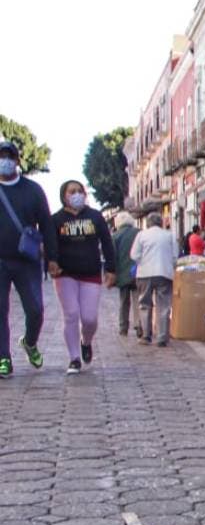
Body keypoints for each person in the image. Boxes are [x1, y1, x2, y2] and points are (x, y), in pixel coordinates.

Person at [0, 140, 59, 378]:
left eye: (9, 156)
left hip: (27, 260)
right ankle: (3, 358)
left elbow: (47, 225)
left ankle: (30, 342)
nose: (5, 161)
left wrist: (52, 258)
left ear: (17, 161)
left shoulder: (33, 190)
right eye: (1, 156)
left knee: (35, 309)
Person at [49, 181, 115, 374]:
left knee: (89, 318)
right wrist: (51, 262)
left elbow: (107, 242)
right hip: (65, 274)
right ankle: (74, 358)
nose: (77, 194)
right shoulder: (56, 219)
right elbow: (51, 244)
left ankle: (86, 342)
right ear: (64, 196)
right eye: (72, 191)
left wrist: (111, 269)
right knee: (71, 315)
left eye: (80, 191)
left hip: (91, 273)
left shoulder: (95, 217)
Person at [131, 213, 179, 347]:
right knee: (163, 305)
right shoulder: (169, 235)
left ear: (148, 223)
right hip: (164, 272)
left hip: (145, 273)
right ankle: (162, 336)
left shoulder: (141, 235)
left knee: (145, 304)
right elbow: (175, 256)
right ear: (161, 223)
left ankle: (146, 336)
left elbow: (134, 255)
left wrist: (143, 261)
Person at [112, 212, 141, 339]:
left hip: (122, 274)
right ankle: (139, 325)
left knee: (124, 301)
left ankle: (123, 327)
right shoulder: (139, 232)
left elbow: (112, 256)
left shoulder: (116, 235)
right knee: (138, 300)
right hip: (138, 272)